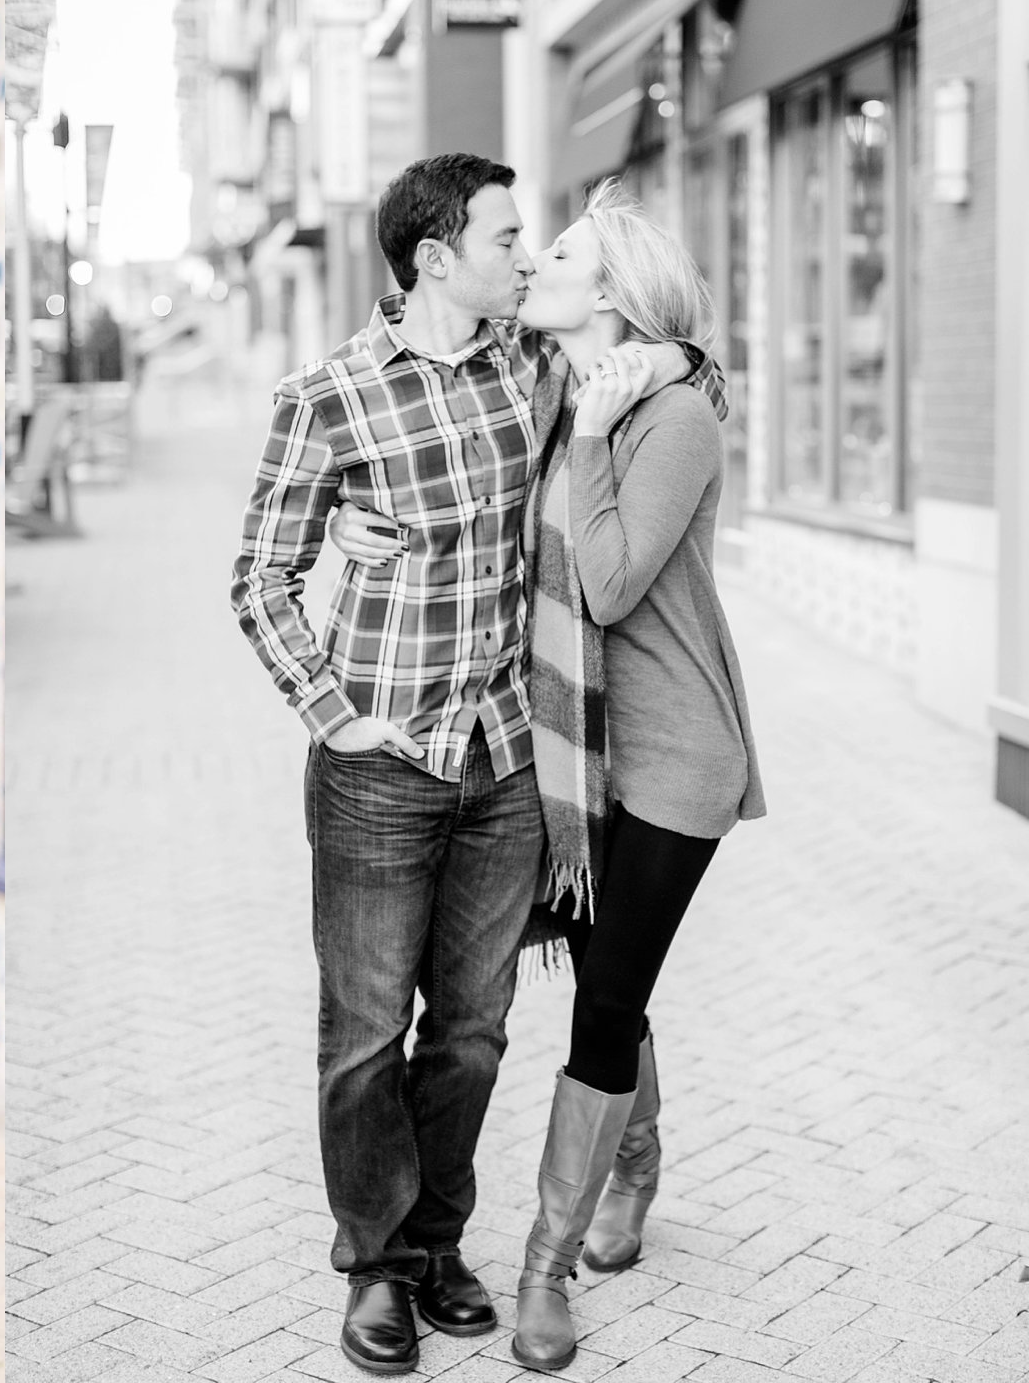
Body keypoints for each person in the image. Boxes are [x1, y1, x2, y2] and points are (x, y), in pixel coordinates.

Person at [230, 153, 720, 1376]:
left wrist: (671, 360)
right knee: (359, 1035)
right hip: (379, 765)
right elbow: (257, 578)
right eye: (508, 237)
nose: (526, 252)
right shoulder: (327, 394)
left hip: (508, 761)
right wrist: (332, 712)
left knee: (471, 1033)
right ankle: (376, 1268)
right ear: (434, 258)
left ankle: (439, 1249)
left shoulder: (537, 368)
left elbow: (670, 363)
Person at [494, 179, 764, 1371]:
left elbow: (605, 584)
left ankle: (544, 1268)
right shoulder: (560, 391)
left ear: (605, 294)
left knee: (604, 1000)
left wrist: (601, 436)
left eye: (551, 255)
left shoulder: (665, 422)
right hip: (583, 751)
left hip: (671, 756)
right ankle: (636, 1156)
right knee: (606, 979)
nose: (529, 268)